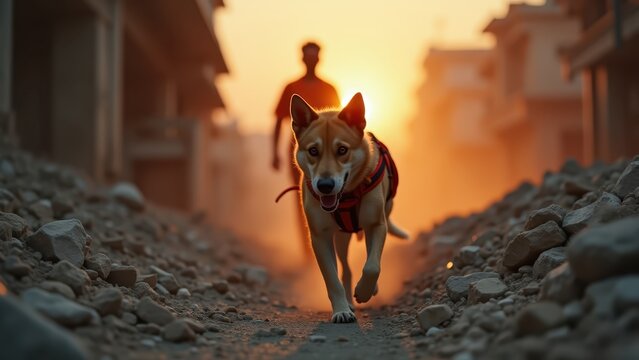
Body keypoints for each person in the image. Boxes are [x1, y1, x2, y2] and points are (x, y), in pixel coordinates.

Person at [272, 41, 340, 258]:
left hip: (329, 156)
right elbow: (278, 121)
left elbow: (341, 124)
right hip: (301, 155)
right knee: (303, 200)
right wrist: (273, 153)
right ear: (302, 59)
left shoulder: (330, 89)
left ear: (319, 59)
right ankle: (308, 251)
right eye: (307, 56)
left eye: (315, 56)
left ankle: (330, 245)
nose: (311, 60)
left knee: (331, 196)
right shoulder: (291, 88)